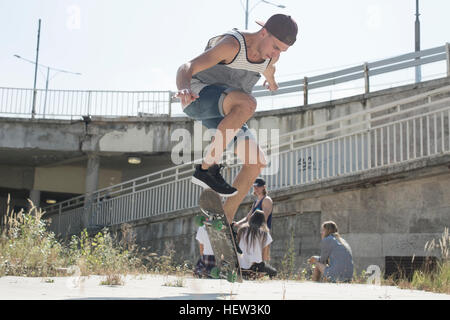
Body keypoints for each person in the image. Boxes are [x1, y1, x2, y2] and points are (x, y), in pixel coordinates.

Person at [176, 14, 298, 224]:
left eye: (281, 51)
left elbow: (269, 69)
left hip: (227, 111)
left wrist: (272, 82)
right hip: (198, 98)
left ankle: (226, 220)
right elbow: (186, 66)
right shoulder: (232, 45)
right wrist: (184, 87)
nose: (276, 54)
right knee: (248, 103)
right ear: (263, 32)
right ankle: (207, 169)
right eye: (276, 47)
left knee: (256, 161)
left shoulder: (271, 57)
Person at [237, 210, 277, 278]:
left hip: (240, 265)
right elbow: (265, 256)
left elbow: (238, 247)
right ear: (263, 221)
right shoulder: (264, 234)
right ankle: (256, 275)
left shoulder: (241, 230)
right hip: (255, 267)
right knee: (274, 272)